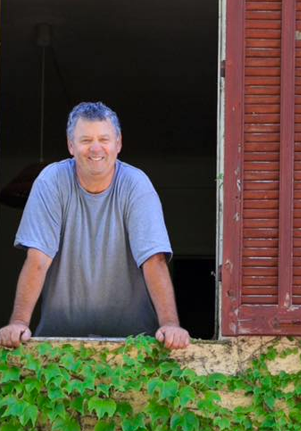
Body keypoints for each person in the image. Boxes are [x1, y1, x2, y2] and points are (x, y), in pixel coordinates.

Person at [0, 102, 190, 350]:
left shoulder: (136, 185)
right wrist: (18, 322)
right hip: (57, 341)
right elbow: (38, 258)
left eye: (104, 139)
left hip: (134, 342)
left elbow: (153, 259)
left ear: (118, 144)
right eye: (86, 139)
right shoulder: (51, 181)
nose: (96, 148)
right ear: (71, 145)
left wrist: (170, 324)